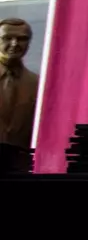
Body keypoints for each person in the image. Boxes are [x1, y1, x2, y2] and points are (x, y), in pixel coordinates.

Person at [0, 18, 39, 150]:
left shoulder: (37, 84)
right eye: (7, 38)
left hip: (19, 165)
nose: (14, 43)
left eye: (22, 39)